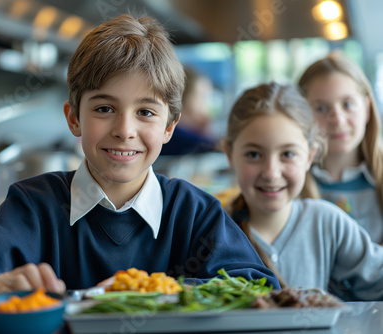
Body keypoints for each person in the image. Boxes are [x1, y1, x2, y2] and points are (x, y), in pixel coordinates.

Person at [0, 14, 279, 323]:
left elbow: (258, 287)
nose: (124, 130)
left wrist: (168, 296)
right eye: (104, 108)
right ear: (74, 119)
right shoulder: (35, 207)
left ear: (169, 127)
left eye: (145, 112)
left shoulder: (193, 211)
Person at [222, 82, 383, 299]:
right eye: (253, 154)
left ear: (310, 156)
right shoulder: (211, 230)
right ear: (229, 154)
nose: (271, 173)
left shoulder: (327, 222)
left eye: (288, 154)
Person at [298, 51, 383, 244]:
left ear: (367, 109)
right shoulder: (292, 185)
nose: (337, 119)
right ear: (301, 115)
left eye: (348, 104)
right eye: (321, 108)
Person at [160, 67, 219, 155]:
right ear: (183, 96)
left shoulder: (193, 130)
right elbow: (212, 146)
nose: (207, 103)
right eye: (202, 96)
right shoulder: (173, 133)